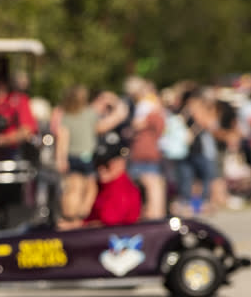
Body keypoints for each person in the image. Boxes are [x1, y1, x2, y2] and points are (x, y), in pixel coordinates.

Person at [51, 86, 128, 222]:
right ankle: (79, 217)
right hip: (86, 156)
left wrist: (60, 159)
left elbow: (63, 137)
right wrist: (113, 99)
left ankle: (68, 218)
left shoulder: (66, 115)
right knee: (90, 188)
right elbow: (116, 117)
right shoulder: (89, 113)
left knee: (73, 187)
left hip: (72, 156)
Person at [59, 131, 141, 228]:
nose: (100, 169)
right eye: (97, 163)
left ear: (121, 163)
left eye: (106, 165)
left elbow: (107, 226)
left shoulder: (123, 191)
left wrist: (76, 225)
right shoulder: (98, 186)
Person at [126, 79, 167, 220]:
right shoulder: (154, 106)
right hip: (151, 149)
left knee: (151, 183)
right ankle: (156, 213)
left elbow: (138, 124)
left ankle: (154, 214)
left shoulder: (146, 106)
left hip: (144, 148)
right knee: (154, 183)